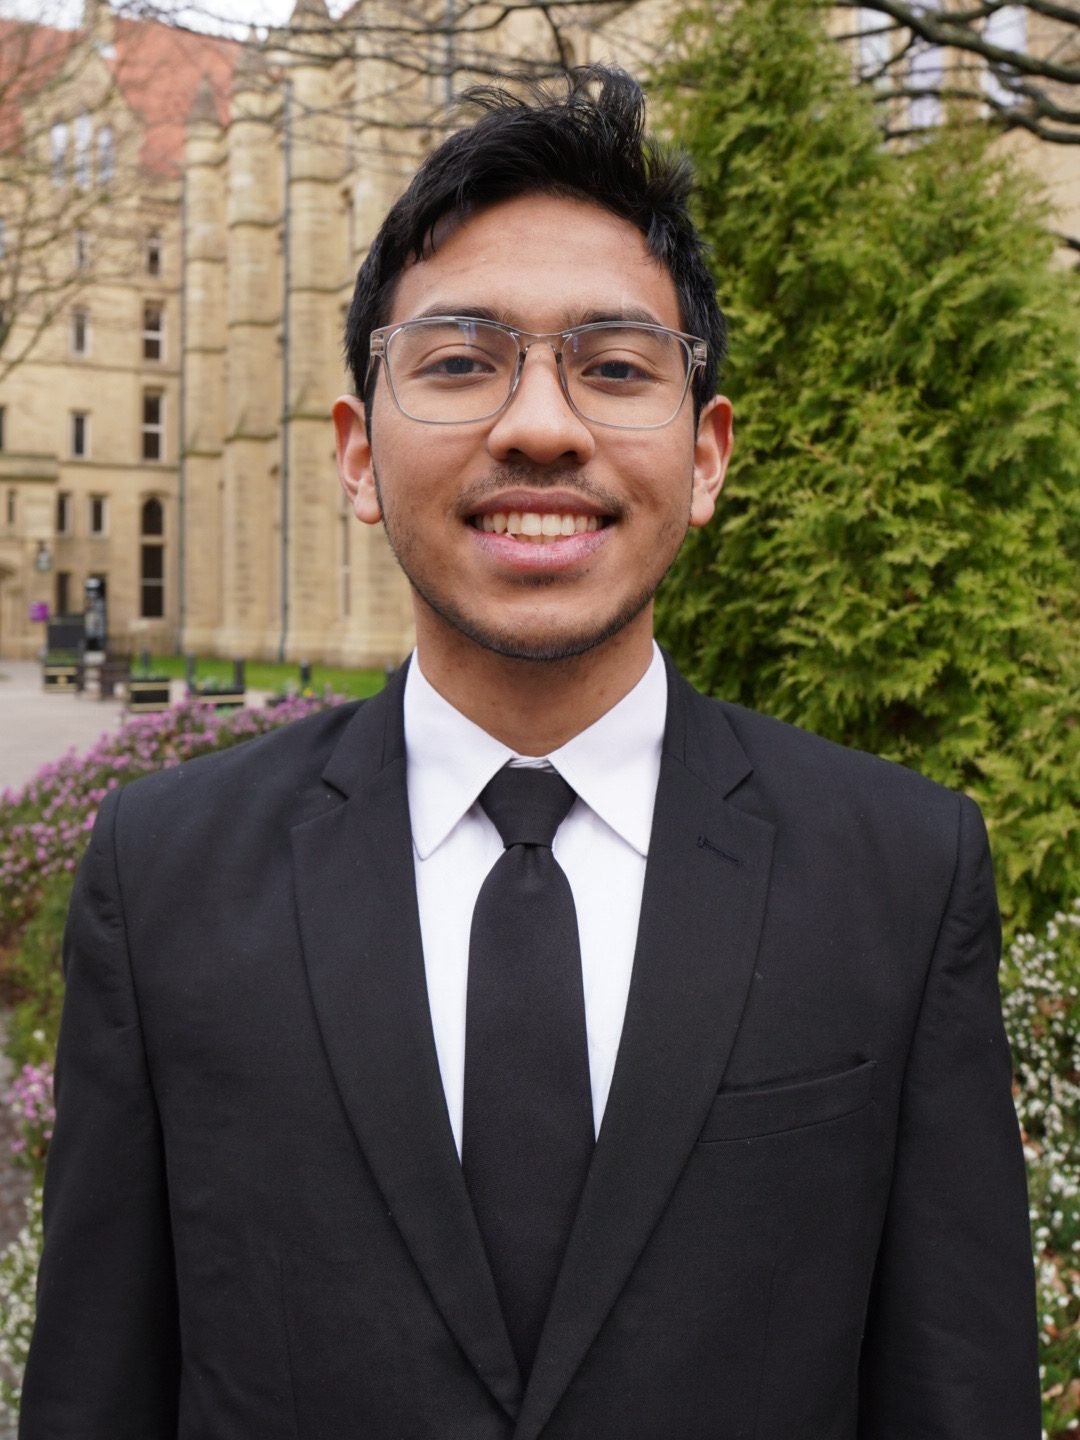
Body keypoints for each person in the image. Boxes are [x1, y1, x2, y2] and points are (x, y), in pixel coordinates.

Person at [21, 66, 1039, 1439]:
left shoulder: (901, 874)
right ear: (358, 455)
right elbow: (97, 1391)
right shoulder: (164, 881)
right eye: (459, 363)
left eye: (615, 367)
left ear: (707, 456)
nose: (541, 426)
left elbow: (957, 1391)